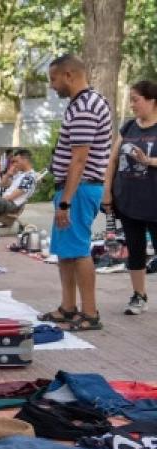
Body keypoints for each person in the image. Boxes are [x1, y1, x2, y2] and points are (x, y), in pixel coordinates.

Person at [37, 54, 112, 332]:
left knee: (78, 250)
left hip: (78, 189)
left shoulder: (84, 107)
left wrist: (65, 202)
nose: (52, 86)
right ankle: (68, 307)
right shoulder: (83, 103)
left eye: (54, 79)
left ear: (69, 75)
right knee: (66, 252)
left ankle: (89, 313)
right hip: (76, 188)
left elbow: (79, 159)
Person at [103, 79, 157, 316]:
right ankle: (139, 295)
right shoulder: (128, 128)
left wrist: (150, 162)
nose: (132, 105)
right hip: (127, 200)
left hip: (154, 202)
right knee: (135, 250)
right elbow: (112, 160)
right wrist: (107, 191)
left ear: (152, 100)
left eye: (136, 99)